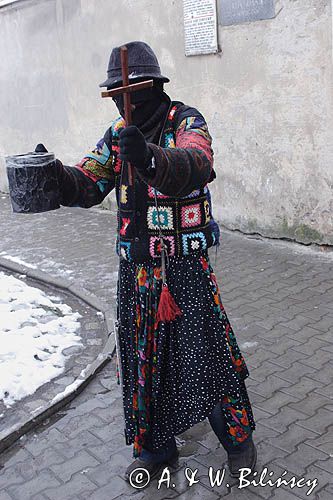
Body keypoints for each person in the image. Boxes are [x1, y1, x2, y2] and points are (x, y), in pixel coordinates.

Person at [38, 41, 257, 482]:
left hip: (185, 270)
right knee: (143, 363)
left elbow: (198, 162)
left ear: (155, 86)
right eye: (116, 94)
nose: (125, 100)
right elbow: (89, 180)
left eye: (132, 90)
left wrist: (152, 157)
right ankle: (156, 450)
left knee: (206, 358)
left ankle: (238, 442)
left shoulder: (186, 120)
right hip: (136, 271)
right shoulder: (117, 135)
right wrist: (54, 174)